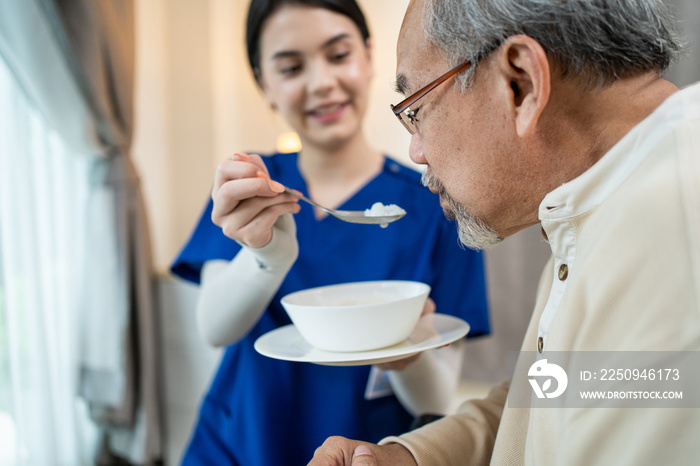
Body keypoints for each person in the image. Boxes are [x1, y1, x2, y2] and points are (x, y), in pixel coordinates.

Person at [309, 0, 700, 464]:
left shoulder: (672, 228)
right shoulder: (594, 200)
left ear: (521, 83)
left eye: (415, 109)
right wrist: (409, 458)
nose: (416, 152)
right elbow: (551, 394)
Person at [170, 0, 490, 464]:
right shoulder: (251, 186)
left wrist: (402, 343)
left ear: (367, 56)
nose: (322, 83)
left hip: (365, 453)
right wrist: (267, 258)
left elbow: (435, 402)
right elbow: (215, 329)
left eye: (338, 55)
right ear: (265, 85)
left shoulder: (439, 199)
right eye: (291, 66)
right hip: (238, 446)